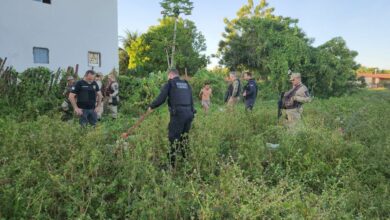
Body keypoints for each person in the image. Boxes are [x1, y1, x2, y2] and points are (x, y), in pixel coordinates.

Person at [147, 69, 196, 168]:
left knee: (173, 139)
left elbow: (161, 98)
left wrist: (151, 106)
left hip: (178, 115)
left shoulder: (170, 84)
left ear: (170, 75)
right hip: (189, 114)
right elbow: (191, 100)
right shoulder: (186, 84)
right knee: (184, 137)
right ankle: (185, 159)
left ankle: (170, 165)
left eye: (167, 76)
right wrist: (192, 111)